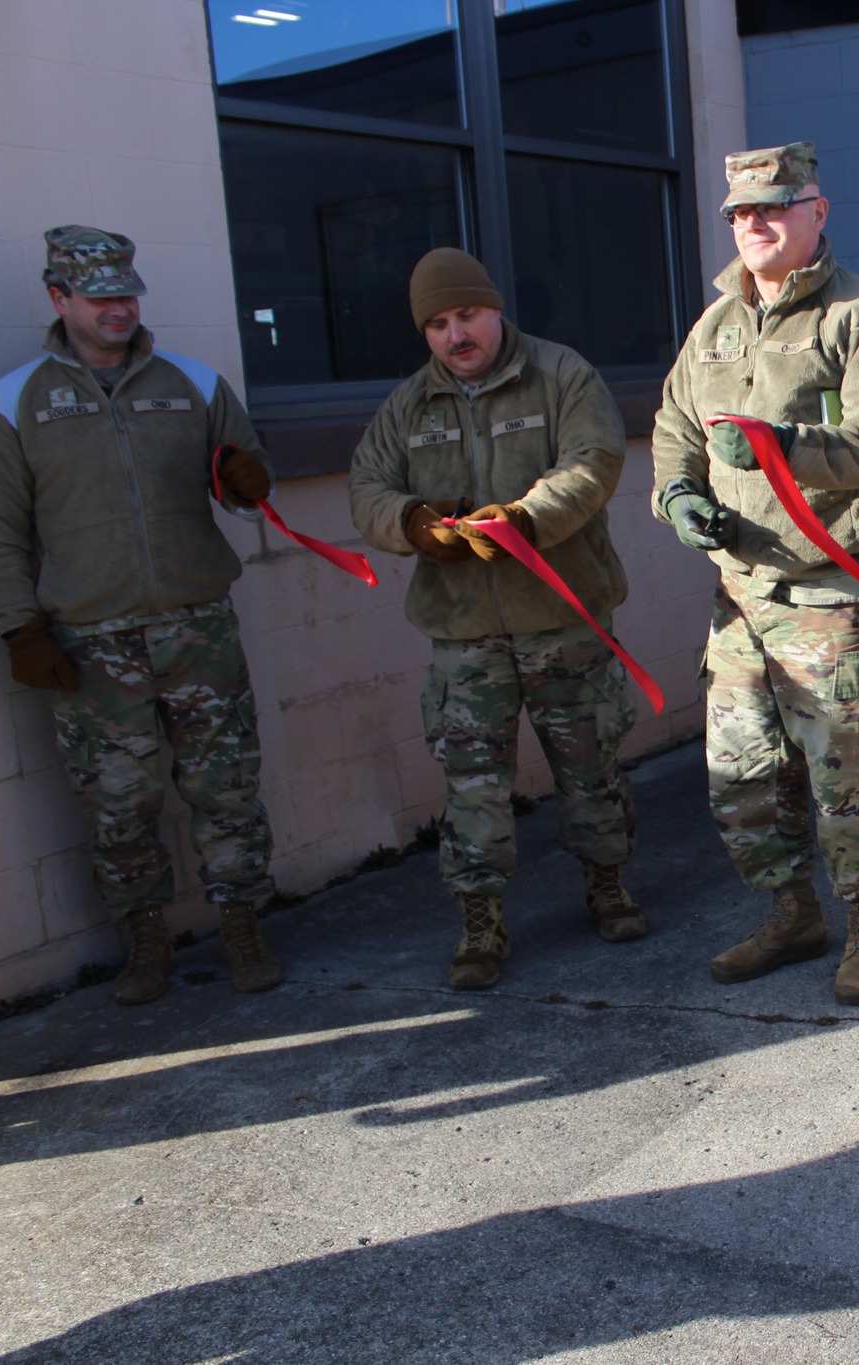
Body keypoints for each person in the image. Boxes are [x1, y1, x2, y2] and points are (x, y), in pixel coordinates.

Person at [0, 226, 282, 1004]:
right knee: (118, 802)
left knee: (227, 787)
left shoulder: (195, 386)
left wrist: (249, 482)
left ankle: (243, 926)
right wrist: (20, 627)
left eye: (127, 293)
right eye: (102, 296)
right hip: (90, 644)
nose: (119, 307)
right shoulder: (12, 406)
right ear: (59, 299)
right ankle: (144, 941)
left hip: (197, 626)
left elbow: (250, 499)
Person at [650, 141, 859, 1005]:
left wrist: (787, 449)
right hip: (740, 596)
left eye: (773, 207)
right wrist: (677, 497)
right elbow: (672, 426)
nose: (754, 224)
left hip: (834, 594)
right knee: (743, 777)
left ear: (818, 210)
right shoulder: (717, 322)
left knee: (847, 781)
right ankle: (791, 912)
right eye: (739, 212)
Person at [349, 248, 638, 991]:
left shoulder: (560, 374)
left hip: (563, 622)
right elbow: (367, 489)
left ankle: (608, 884)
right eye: (438, 324)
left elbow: (594, 460)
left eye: (467, 315)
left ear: (495, 308)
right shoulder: (409, 406)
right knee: (472, 785)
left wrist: (523, 519)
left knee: (591, 768)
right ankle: (481, 920)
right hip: (464, 636)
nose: (456, 335)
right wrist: (412, 525)